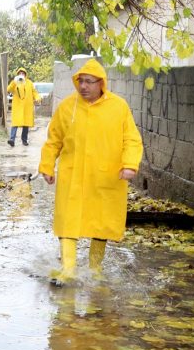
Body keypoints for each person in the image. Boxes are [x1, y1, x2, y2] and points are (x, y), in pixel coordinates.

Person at [38, 59, 143, 285]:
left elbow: (132, 140)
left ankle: (94, 269)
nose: (83, 86)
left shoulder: (119, 107)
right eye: (80, 81)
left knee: (100, 222)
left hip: (105, 176)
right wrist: (47, 166)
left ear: (101, 83)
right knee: (68, 219)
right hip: (72, 175)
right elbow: (53, 140)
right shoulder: (67, 107)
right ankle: (68, 269)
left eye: (88, 82)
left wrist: (129, 164)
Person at [7, 67, 41, 147]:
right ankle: (12, 139)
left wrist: (37, 98)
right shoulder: (15, 82)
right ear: (18, 74)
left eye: (23, 73)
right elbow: (8, 89)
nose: (21, 74)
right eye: (20, 73)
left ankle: (24, 140)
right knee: (15, 123)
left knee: (26, 124)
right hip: (17, 107)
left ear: (25, 74)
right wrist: (14, 82)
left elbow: (34, 92)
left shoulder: (29, 83)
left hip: (27, 107)